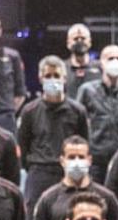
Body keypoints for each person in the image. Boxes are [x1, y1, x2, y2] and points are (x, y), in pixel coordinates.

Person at [34, 137, 118, 220]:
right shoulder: (48, 198)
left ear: (89, 160)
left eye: (81, 157)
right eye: (71, 157)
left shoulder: (107, 197)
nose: (76, 162)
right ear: (62, 161)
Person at [20, 58, 92, 207]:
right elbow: (23, 145)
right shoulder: (29, 111)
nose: (53, 80)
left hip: (68, 173)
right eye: (48, 76)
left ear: (64, 79)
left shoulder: (78, 111)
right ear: (40, 78)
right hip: (38, 173)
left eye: (56, 76)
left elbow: (85, 142)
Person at [77, 45, 118, 180]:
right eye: (111, 58)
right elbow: (77, 124)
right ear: (101, 62)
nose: (115, 61)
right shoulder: (87, 90)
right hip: (95, 158)